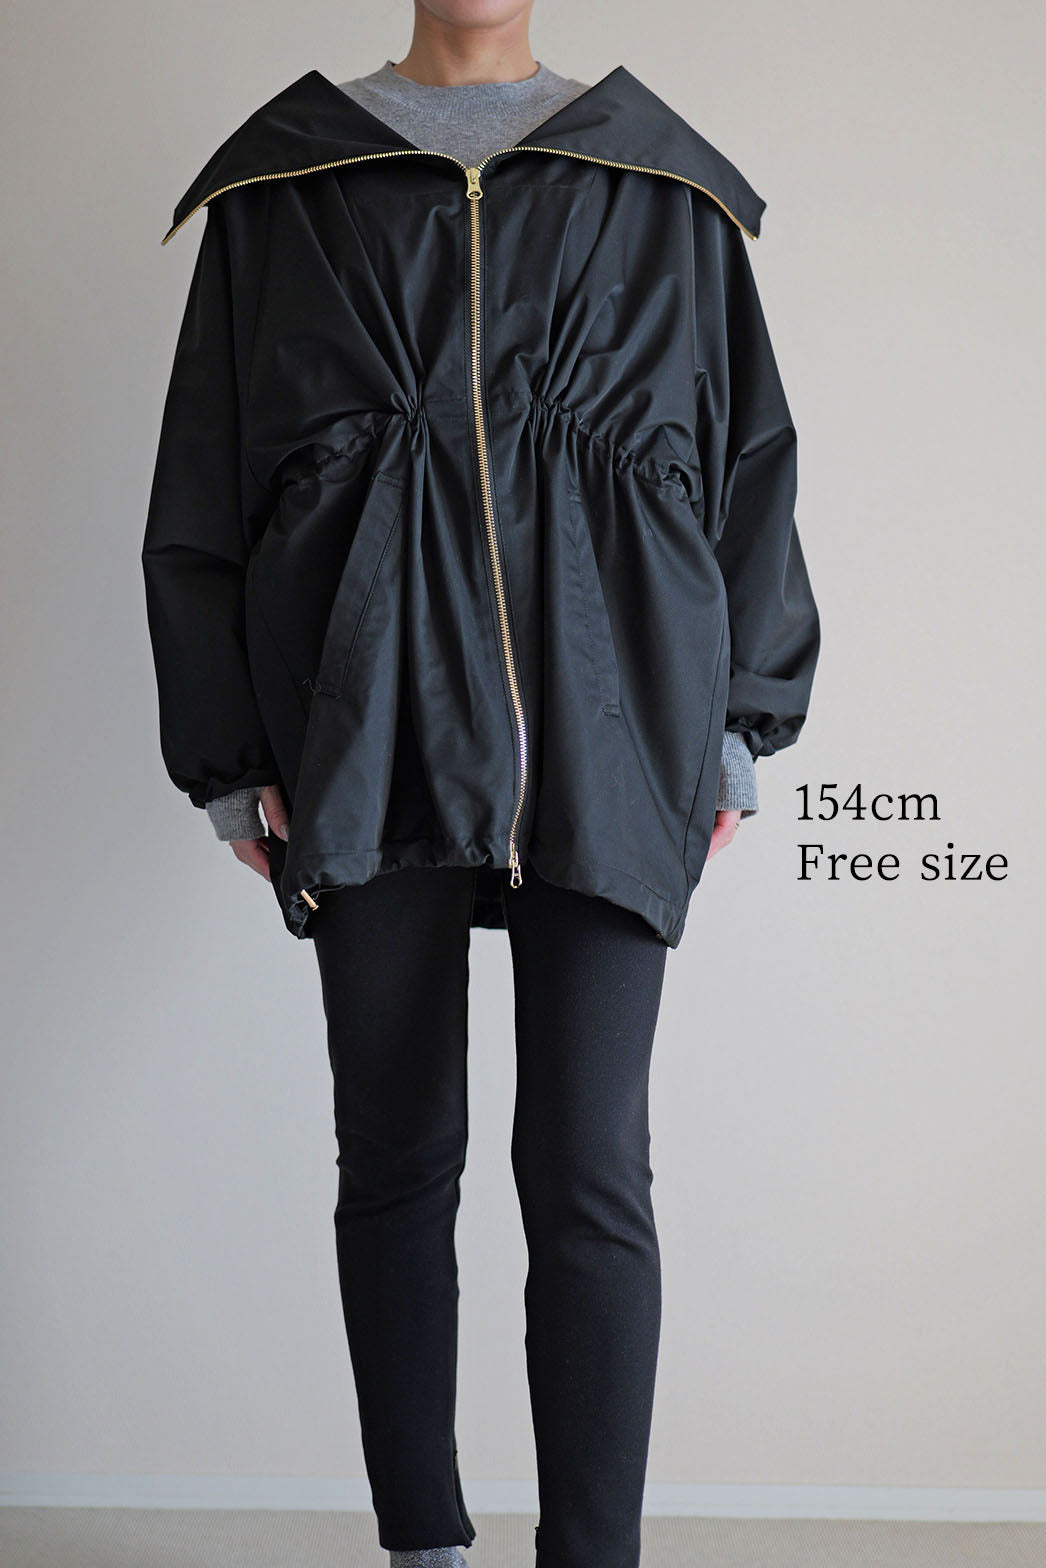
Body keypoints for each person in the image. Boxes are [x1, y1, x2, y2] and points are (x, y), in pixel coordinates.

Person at [141, 7, 820, 1568]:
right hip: (365, 725)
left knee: (589, 1168)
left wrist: (739, 718)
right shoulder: (284, 185)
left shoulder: (659, 181)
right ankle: (423, 1545)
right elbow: (204, 484)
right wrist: (231, 757)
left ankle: (592, 1554)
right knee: (395, 1156)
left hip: (612, 724)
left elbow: (749, 461)